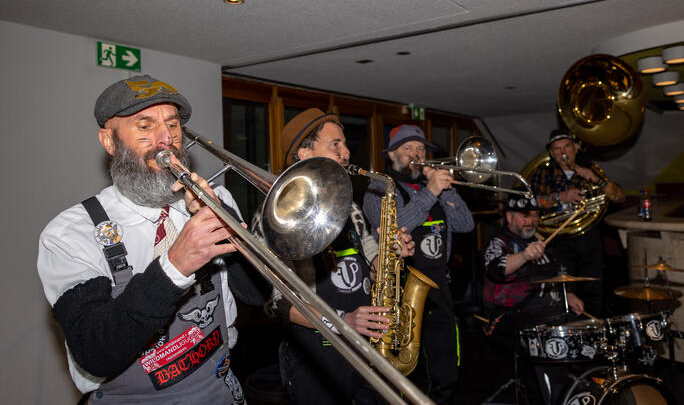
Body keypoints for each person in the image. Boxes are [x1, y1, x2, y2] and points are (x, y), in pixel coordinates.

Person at [37, 75, 268, 404]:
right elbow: (93, 351)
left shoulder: (215, 198)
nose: (166, 139)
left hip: (220, 388)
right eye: (144, 126)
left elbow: (257, 295)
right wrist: (175, 265)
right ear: (110, 141)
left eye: (172, 125)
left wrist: (229, 228)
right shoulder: (70, 233)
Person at [251, 108, 414, 404]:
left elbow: (371, 260)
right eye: (335, 144)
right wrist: (344, 321)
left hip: (367, 345)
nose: (347, 152)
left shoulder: (348, 206)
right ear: (304, 152)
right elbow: (279, 304)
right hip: (318, 355)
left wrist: (388, 256)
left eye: (345, 144)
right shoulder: (274, 215)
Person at [363, 124, 474, 404]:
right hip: (400, 292)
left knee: (445, 365)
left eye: (421, 148)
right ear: (391, 155)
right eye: (408, 148)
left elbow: (465, 224)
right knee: (407, 370)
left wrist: (443, 188)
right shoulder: (378, 189)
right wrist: (431, 192)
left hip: (439, 289)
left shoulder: (434, 188)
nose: (416, 154)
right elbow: (393, 230)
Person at [482, 193, 585, 405]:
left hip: (547, 313)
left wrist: (568, 294)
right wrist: (525, 256)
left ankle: (575, 390)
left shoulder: (540, 241)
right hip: (508, 316)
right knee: (545, 339)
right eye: (524, 216)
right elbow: (496, 269)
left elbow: (554, 276)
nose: (531, 221)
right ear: (509, 217)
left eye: (534, 216)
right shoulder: (499, 242)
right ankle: (550, 398)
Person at [529, 128, 625, 316]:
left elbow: (619, 198)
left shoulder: (591, 169)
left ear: (575, 148)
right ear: (551, 152)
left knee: (593, 290)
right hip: (559, 240)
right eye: (557, 149)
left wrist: (597, 180)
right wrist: (560, 197)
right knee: (565, 292)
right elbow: (531, 201)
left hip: (589, 238)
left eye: (566, 147)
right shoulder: (543, 172)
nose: (562, 152)